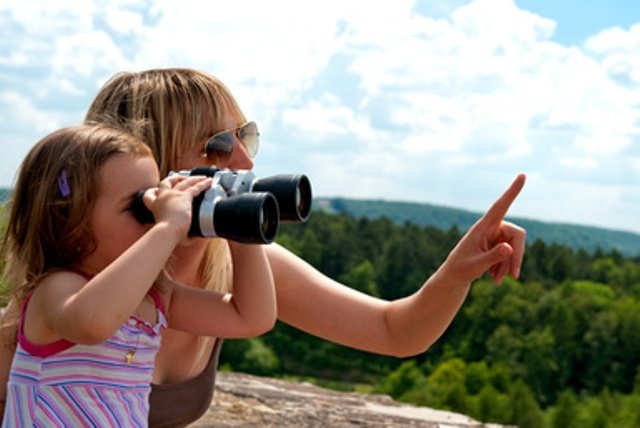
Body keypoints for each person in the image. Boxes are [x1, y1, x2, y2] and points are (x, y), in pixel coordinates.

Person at [1, 68, 526, 426]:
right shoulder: (62, 297)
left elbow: (396, 331)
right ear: (147, 168)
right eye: (219, 146)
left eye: (245, 139)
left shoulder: (229, 267)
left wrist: (459, 270)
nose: (245, 166)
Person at [0, 124, 276, 426]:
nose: (156, 212)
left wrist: (239, 223)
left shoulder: (155, 296)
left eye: (156, 197)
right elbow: (93, 324)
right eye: (139, 205)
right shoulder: (55, 289)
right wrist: (168, 227)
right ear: (70, 220)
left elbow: (251, 316)